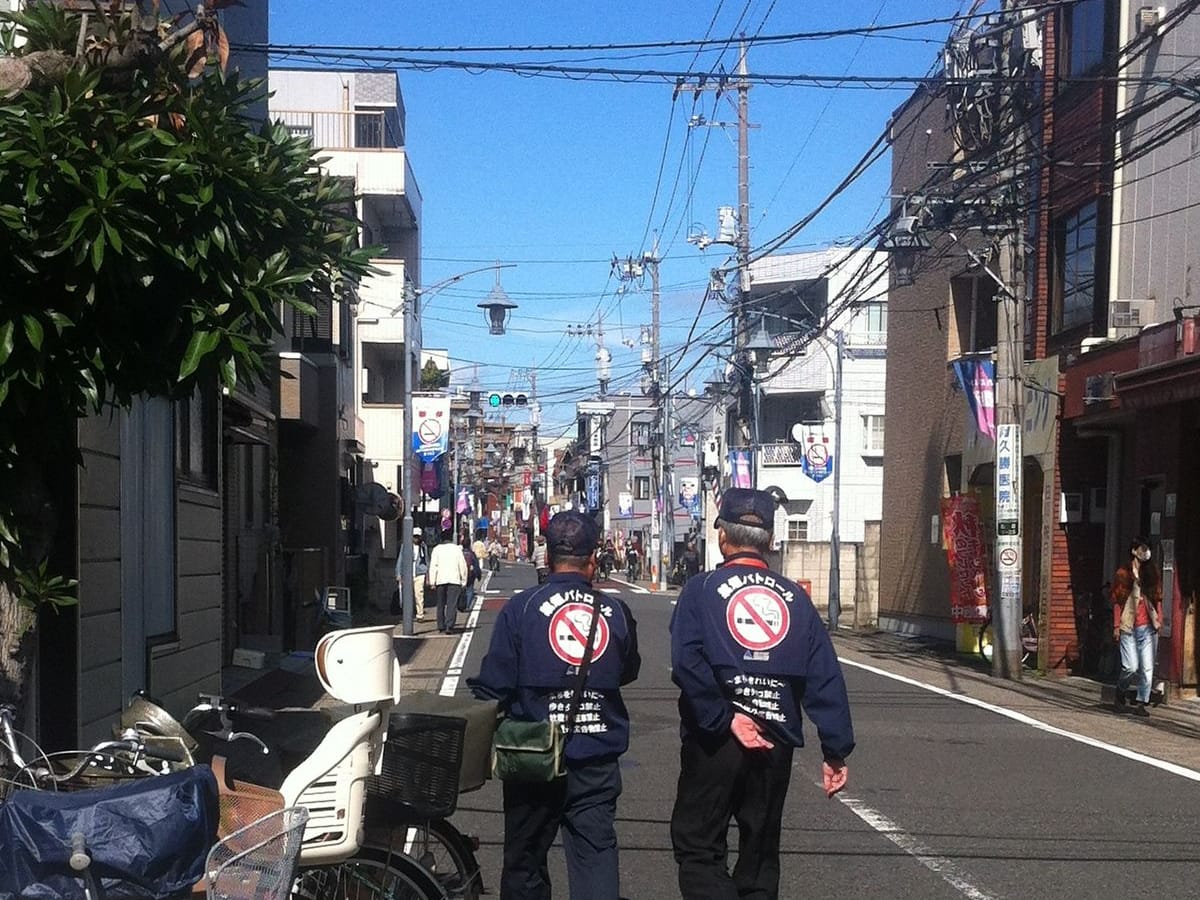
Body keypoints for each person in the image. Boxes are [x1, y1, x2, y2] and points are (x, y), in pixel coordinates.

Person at [669, 488, 855, 900]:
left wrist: (724, 716)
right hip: (775, 740)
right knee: (759, 855)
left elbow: (687, 662)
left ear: (722, 537)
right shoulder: (796, 600)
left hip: (714, 740)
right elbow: (825, 674)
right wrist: (835, 748)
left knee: (699, 846)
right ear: (770, 540)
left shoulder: (701, 590)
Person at [469, 511, 640, 900]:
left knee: (525, 861)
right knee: (596, 856)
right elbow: (627, 670)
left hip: (532, 754)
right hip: (596, 755)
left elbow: (495, 684)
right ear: (593, 558)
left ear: (547, 556)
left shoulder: (523, 608)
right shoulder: (616, 612)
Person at [1111, 536, 1162, 717]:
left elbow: (1157, 599)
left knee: (1147, 668)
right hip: (1128, 625)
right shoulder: (1123, 574)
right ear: (1134, 551)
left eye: (1147, 548)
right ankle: (1120, 691)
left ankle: (1141, 702)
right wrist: (1116, 625)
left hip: (1148, 626)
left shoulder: (1152, 573)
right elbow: (1117, 601)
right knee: (1130, 667)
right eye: (1142, 548)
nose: (1145, 551)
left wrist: (1159, 620)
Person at [427, 528, 468, 634]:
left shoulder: (437, 549)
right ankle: (449, 626)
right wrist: (463, 581)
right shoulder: (457, 549)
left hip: (440, 580)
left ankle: (441, 625)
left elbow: (433, 566)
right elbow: (462, 566)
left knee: (440, 603)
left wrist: (432, 582)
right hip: (454, 580)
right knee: (451, 604)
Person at [393, 527, 428, 622]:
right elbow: (401, 559)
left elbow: (426, 560)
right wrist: (398, 573)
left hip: (420, 572)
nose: (416, 538)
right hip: (407, 573)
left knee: (419, 594)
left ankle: (420, 614)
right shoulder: (405, 545)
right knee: (407, 595)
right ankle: (407, 614)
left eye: (418, 536)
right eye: (414, 536)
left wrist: (427, 573)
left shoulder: (423, 546)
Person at [461, 535, 483, 612]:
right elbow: (476, 565)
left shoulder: (460, 553)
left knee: (461, 590)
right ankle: (467, 605)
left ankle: (461, 604)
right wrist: (479, 575)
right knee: (470, 590)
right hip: (470, 574)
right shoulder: (472, 554)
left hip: (461, 574)